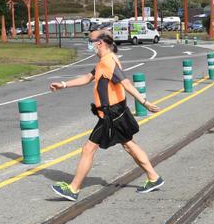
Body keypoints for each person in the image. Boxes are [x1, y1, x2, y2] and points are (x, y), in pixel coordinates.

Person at [48, 31, 163, 201]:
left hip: (112, 114)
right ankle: (153, 177)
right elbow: (88, 77)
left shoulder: (109, 62)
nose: (89, 44)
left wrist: (144, 102)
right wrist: (64, 84)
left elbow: (125, 83)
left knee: (89, 149)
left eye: (90, 41)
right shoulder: (103, 61)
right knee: (129, 145)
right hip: (113, 112)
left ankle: (73, 188)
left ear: (100, 43)